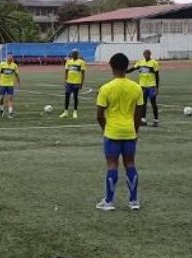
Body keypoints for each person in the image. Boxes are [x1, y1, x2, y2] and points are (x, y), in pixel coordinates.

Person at [96, 53, 143, 211]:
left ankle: (109, 202)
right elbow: (138, 114)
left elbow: (99, 115)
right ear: (126, 66)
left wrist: (106, 129)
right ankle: (134, 201)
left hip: (112, 132)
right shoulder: (136, 87)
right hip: (129, 131)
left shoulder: (106, 88)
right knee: (130, 164)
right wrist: (135, 132)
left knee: (112, 165)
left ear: (111, 66)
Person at [126, 49, 160, 127]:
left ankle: (156, 120)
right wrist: (124, 71)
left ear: (150, 54)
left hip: (151, 86)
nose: (146, 55)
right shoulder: (140, 62)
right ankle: (143, 119)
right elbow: (133, 69)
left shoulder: (154, 63)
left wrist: (157, 87)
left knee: (153, 103)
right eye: (145, 54)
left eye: (147, 54)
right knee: (143, 103)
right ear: (143, 55)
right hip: (142, 86)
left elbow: (157, 75)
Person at [59, 49, 86, 119]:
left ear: (77, 54)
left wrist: (81, 83)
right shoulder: (68, 61)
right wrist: (65, 81)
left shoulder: (81, 62)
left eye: (75, 53)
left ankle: (75, 111)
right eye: (73, 53)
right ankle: (66, 112)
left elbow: (83, 73)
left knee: (75, 97)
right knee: (67, 96)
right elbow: (66, 72)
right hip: (69, 82)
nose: (74, 54)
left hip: (76, 82)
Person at [0, 52, 20, 118]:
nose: (10, 58)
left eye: (11, 57)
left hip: (10, 84)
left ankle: (10, 113)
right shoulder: (2, 64)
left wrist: (18, 83)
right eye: (9, 56)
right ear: (7, 57)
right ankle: (1, 110)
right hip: (2, 84)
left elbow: (17, 75)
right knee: (1, 99)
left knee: (10, 99)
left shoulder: (14, 65)